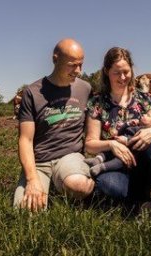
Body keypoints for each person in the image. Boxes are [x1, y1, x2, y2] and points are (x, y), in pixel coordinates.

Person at [13, 38, 95, 211]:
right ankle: (46, 186)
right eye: (72, 65)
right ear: (55, 59)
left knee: (79, 185)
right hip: (40, 162)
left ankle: (64, 186)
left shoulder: (85, 89)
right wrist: (32, 179)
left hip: (69, 157)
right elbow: (25, 140)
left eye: (81, 64)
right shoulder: (32, 92)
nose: (78, 71)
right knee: (24, 211)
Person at [85, 47, 151, 202]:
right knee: (107, 185)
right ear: (107, 72)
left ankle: (146, 193)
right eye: (116, 72)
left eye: (126, 72)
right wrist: (112, 144)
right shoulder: (97, 102)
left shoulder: (145, 99)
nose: (122, 77)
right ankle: (146, 196)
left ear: (131, 70)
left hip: (144, 161)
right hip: (116, 164)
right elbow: (90, 145)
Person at [84, 108, 151, 177]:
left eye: (148, 115)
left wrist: (126, 140)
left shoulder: (145, 131)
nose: (143, 114)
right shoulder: (137, 125)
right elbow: (122, 129)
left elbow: (135, 140)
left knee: (120, 161)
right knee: (107, 151)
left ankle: (102, 167)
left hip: (130, 155)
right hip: (117, 146)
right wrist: (127, 124)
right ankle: (97, 160)